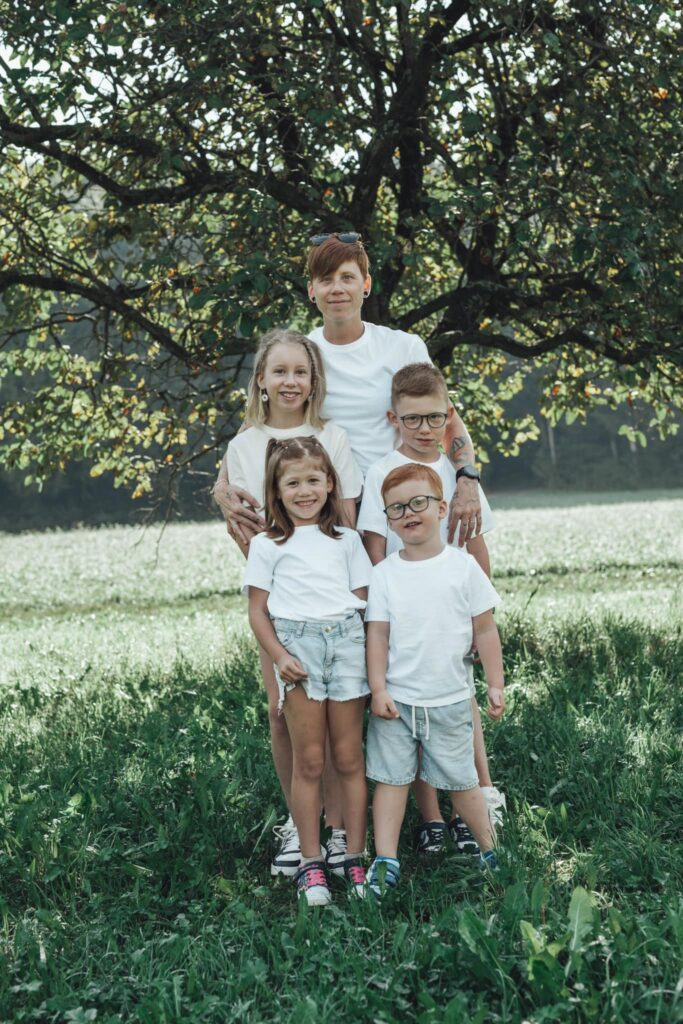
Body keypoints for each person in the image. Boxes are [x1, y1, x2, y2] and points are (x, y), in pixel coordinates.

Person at [216, 232, 483, 550]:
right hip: (331, 510)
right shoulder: (301, 355)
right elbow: (259, 423)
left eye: (348, 277)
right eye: (326, 279)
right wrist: (221, 487)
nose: (338, 288)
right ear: (312, 290)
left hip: (399, 498)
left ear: (366, 284)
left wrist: (467, 479)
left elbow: (446, 421)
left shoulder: (402, 346)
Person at [219, 329, 363, 878]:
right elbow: (243, 526)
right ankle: (298, 826)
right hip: (279, 605)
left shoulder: (333, 436)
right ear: (260, 379)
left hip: (332, 605)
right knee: (284, 712)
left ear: (313, 381)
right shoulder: (243, 445)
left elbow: (345, 517)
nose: (289, 381)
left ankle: (338, 828)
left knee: (337, 723)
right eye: (278, 371)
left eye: (300, 372)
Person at [357, 362, 506, 852]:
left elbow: (474, 541)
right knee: (409, 711)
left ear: (449, 416)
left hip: (452, 607)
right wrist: (384, 609)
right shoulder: (382, 472)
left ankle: (474, 803)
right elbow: (376, 548)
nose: (425, 428)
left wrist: (477, 607)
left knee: (458, 706)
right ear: (392, 418)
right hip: (405, 613)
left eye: (435, 418)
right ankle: (431, 818)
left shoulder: (459, 477)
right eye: (413, 418)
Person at [364, 463, 505, 898]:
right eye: (397, 509)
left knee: (462, 782)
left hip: (450, 699)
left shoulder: (462, 567)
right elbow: (378, 634)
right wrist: (379, 688)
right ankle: (385, 858)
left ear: (442, 507)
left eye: (419, 503)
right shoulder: (386, 572)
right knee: (391, 781)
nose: (409, 513)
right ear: (388, 520)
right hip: (398, 701)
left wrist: (495, 683)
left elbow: (485, 629)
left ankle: (490, 850)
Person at [244, 436, 371, 905]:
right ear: (276, 491)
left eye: (313, 480)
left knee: (349, 758)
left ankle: (354, 857)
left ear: (330, 483)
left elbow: (364, 601)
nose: (304, 491)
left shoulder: (348, 540)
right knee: (310, 761)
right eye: (292, 483)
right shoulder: (267, 544)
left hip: (346, 644)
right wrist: (279, 656)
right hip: (298, 649)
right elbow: (258, 611)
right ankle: (311, 862)